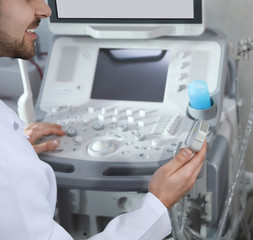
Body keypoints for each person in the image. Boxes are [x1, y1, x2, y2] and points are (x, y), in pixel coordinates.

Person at [0, 0, 207, 239]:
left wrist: (20, 147)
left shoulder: (10, 151)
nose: (46, 10)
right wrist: (159, 203)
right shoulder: (7, 157)